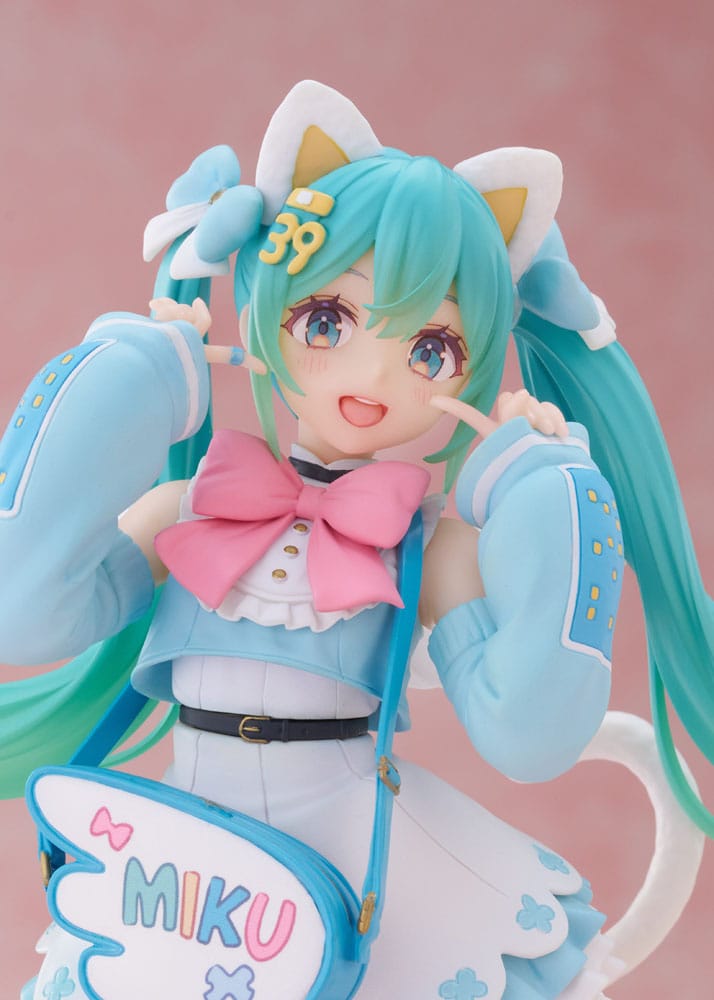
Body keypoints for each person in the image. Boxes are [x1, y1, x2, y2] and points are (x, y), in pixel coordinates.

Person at [0, 80, 711, 1000]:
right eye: (327, 322)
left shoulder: (427, 549)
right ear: (265, 310)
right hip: (178, 883)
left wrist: (546, 492)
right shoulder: (188, 510)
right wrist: (126, 380)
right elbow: (24, 611)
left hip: (354, 865)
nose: (372, 373)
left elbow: (529, 733)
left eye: (429, 350)